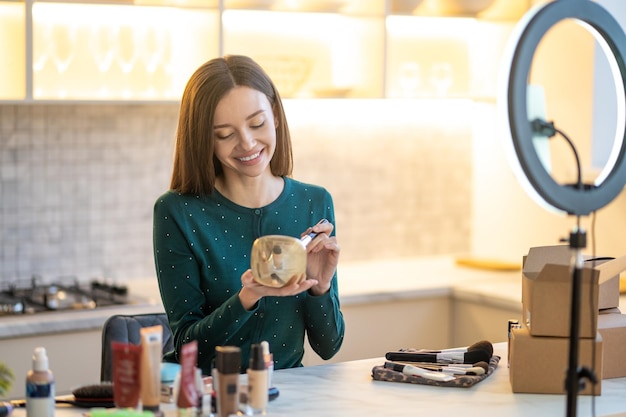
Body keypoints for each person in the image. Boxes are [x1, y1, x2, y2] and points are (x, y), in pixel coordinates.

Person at [153, 55, 345, 374]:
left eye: (257, 124)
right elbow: (189, 348)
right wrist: (248, 296)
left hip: (285, 398)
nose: (247, 143)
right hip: (206, 397)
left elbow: (329, 346)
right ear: (205, 140)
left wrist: (320, 287)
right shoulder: (178, 211)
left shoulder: (314, 201)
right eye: (225, 134)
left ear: (276, 117)